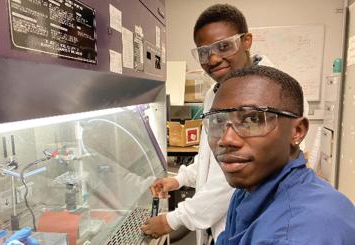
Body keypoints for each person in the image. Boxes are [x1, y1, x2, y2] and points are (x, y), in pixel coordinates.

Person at [141, 4, 309, 244]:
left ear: (247, 40)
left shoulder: (271, 92)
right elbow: (210, 156)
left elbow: (234, 175)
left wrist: (173, 220)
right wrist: (179, 179)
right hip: (223, 224)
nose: (213, 58)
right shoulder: (216, 91)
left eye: (223, 46)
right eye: (203, 52)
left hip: (256, 224)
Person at [203, 65, 355, 244]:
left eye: (253, 119)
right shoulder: (251, 189)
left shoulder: (296, 233)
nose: (226, 139)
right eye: (218, 121)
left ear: (297, 131)